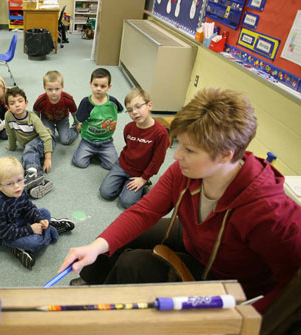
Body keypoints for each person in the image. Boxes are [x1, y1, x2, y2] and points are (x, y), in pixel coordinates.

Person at [59, 88, 301, 314]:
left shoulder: (273, 213)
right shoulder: (184, 171)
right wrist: (97, 246)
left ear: (226, 154)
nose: (177, 155)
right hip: (196, 238)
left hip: (220, 277)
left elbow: (292, 289)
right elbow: (143, 212)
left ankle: (105, 311)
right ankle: (92, 281)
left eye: (190, 150)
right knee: (119, 235)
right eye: (180, 145)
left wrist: (241, 319)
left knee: (133, 264)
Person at [0, 157, 74, 269]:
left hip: (15, 220)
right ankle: (50, 229)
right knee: (35, 242)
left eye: (20, 180)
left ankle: (46, 227)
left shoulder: (20, 190)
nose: (17, 186)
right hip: (0, 235)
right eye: (10, 183)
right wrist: (30, 229)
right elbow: (5, 233)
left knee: (44, 213)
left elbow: (28, 207)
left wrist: (39, 219)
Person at [99, 88, 170, 208]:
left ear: (149, 105)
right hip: (122, 165)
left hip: (140, 173)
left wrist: (143, 178)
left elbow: (157, 160)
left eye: (138, 107)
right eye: (130, 110)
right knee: (105, 193)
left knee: (126, 202)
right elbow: (128, 145)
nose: (135, 112)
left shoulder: (161, 134)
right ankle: (124, 183)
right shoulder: (128, 128)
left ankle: (144, 185)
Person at [4, 87, 54, 199]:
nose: (17, 105)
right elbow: (10, 132)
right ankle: (40, 183)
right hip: (30, 144)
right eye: (12, 103)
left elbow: (46, 138)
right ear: (7, 107)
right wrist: (12, 147)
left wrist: (48, 158)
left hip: (44, 138)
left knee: (29, 149)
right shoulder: (8, 116)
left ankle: (33, 176)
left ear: (26, 103)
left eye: (20, 101)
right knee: (26, 158)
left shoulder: (33, 118)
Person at [72, 68, 123, 170]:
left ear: (109, 87)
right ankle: (90, 152)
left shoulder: (113, 102)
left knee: (112, 166)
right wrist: (77, 125)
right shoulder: (86, 102)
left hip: (106, 141)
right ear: (91, 84)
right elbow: (78, 118)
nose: (98, 89)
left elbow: (120, 110)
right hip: (88, 140)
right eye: (96, 85)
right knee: (79, 163)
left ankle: (99, 154)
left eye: (103, 86)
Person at [33, 70, 79, 145]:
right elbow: (35, 113)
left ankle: (74, 129)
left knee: (65, 140)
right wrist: (37, 126)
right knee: (48, 140)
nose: (54, 92)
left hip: (62, 119)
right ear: (44, 88)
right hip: (47, 120)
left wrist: (77, 123)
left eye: (57, 89)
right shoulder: (41, 100)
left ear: (62, 87)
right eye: (50, 89)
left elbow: (74, 112)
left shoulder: (68, 99)